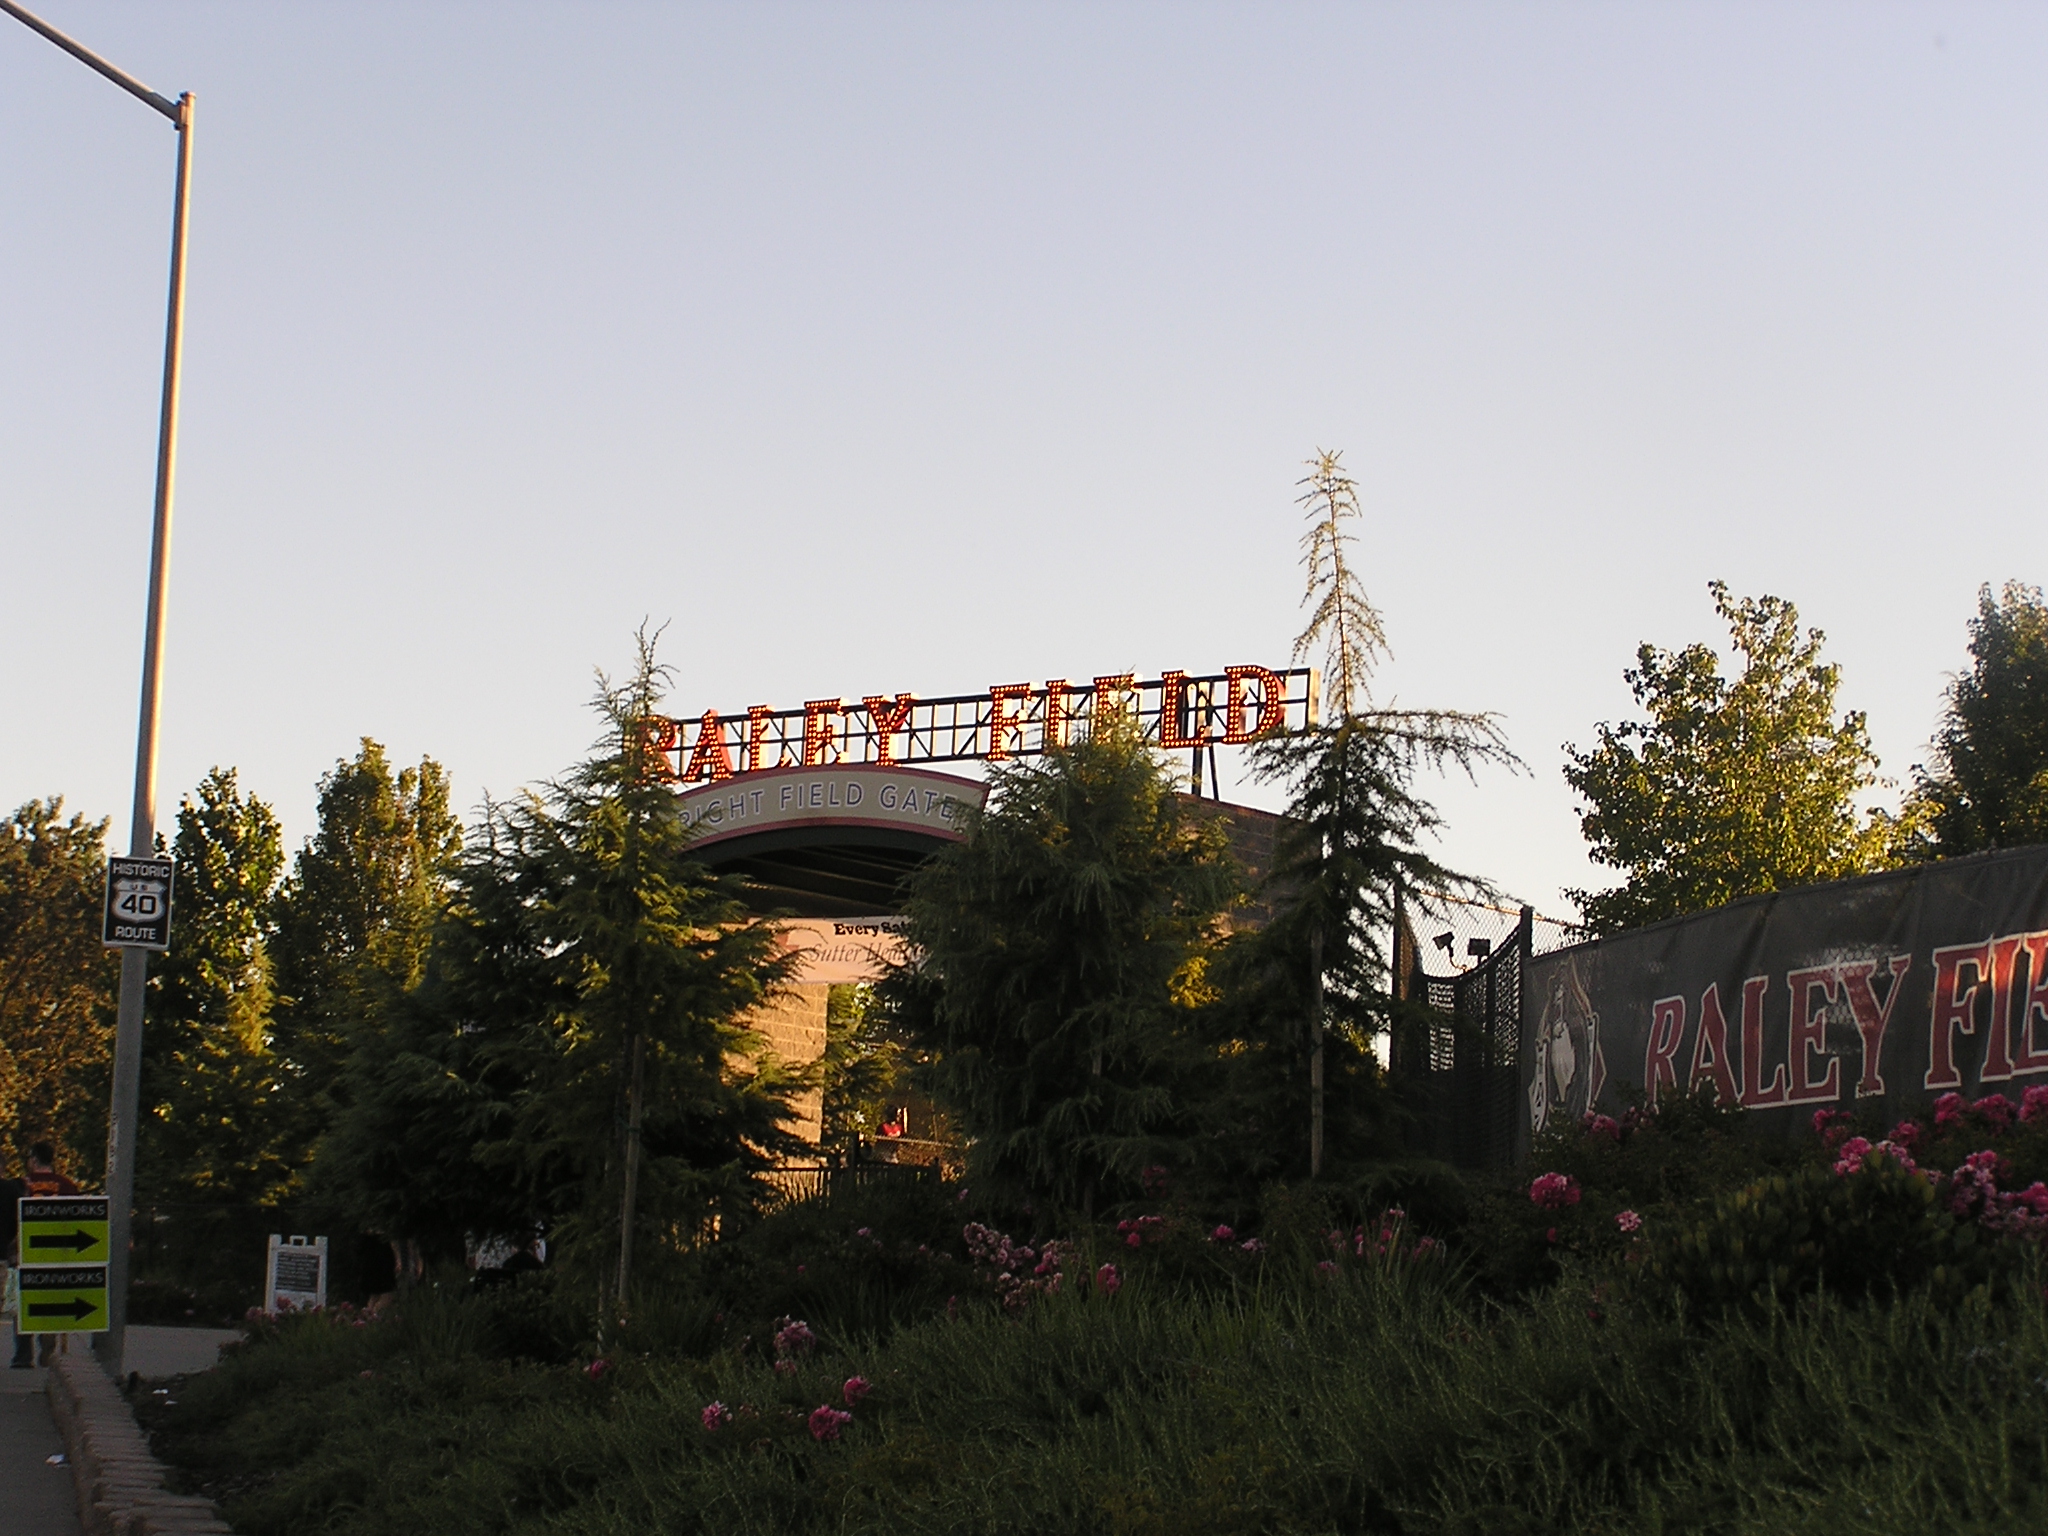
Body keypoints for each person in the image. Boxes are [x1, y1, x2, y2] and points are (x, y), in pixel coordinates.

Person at [16, 1144, 80, 1367]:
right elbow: (78, 1218)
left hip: (27, 1251)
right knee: (52, 1297)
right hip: (58, 1253)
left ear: (33, 1159)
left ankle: (24, 1353)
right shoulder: (66, 1186)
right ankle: (49, 1342)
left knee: (24, 1300)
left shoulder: (24, 1185)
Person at [3, 1167, 26, 1369]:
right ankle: (23, 1355)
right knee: (17, 1307)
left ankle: (23, 1355)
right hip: (6, 1257)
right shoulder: (13, 1191)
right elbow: (21, 1220)